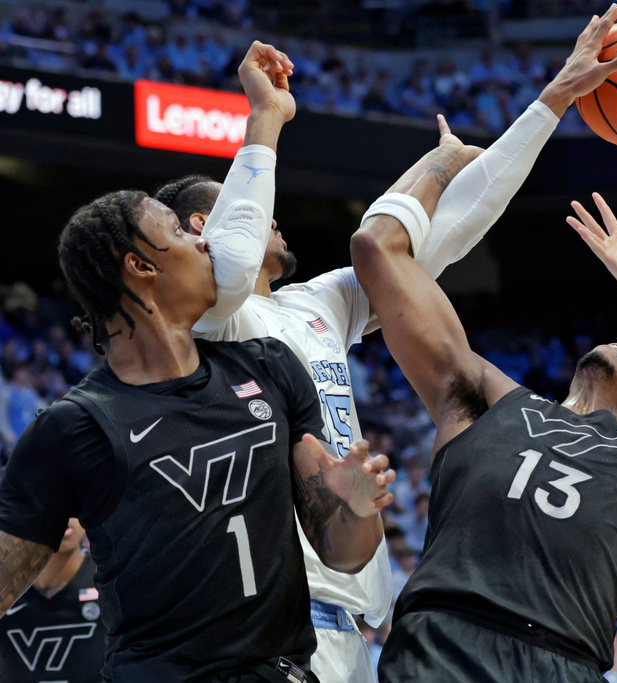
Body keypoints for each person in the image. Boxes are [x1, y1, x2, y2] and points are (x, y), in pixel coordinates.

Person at [154, 8, 601, 682]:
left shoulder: (316, 304)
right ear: (202, 224)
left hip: (350, 632)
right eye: (250, 202)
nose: (271, 213)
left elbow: (435, 235)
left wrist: (552, 101)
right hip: (268, 630)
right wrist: (264, 119)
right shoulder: (205, 322)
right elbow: (232, 258)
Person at [350, 8, 617, 679]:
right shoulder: (485, 402)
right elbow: (375, 249)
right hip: (438, 650)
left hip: (559, 663)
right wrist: (534, 108)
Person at [0, 41, 395, 683]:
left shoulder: (269, 368)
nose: (206, 243)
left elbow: (342, 552)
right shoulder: (73, 428)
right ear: (141, 266)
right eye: (185, 234)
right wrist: (262, 123)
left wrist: (355, 505)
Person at [0, 519, 104, 683]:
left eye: (74, 504)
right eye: (54, 501)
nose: (66, 516)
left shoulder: (107, 580)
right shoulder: (5, 585)